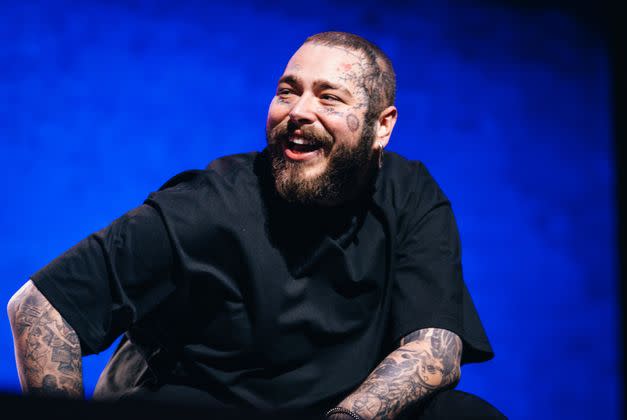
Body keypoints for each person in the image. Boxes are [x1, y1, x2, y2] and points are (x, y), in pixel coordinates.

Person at [7, 32, 505, 419]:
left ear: (382, 126)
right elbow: (41, 306)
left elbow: (434, 348)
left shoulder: (409, 193)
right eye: (287, 92)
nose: (298, 111)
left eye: (329, 98)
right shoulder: (209, 205)